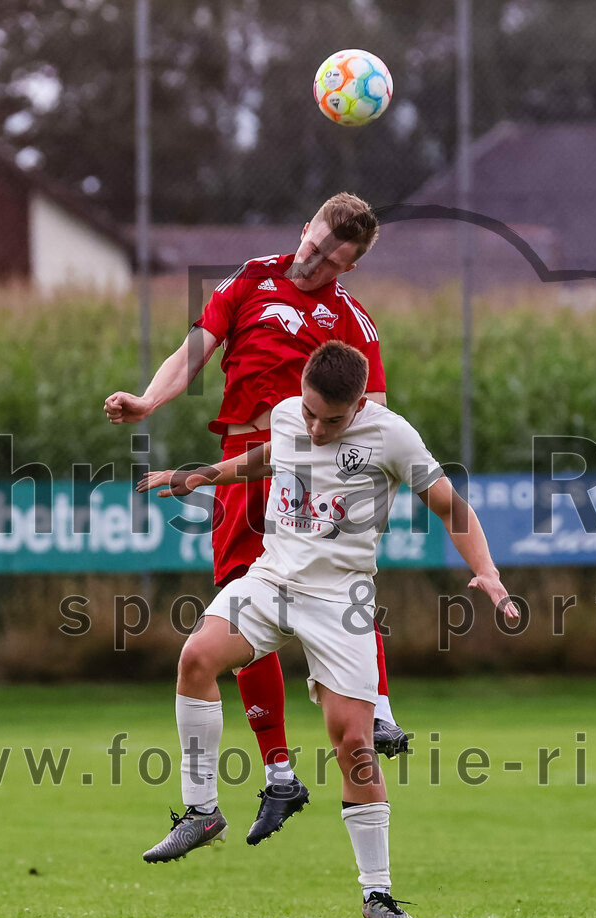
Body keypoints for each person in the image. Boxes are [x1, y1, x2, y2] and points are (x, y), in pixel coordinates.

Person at [137, 342, 518, 918]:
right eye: (310, 412)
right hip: (272, 577)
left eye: (331, 421)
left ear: (360, 404)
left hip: (342, 598)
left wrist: (489, 573)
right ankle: (202, 812)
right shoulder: (290, 414)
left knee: (356, 745)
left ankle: (378, 894)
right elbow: (268, 456)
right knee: (196, 659)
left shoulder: (392, 437)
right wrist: (200, 475)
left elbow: (450, 505)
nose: (315, 427)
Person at [104, 193, 409, 845]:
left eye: (332, 259)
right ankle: (278, 774)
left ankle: (378, 712)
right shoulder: (248, 281)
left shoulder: (352, 320)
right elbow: (194, 351)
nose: (316, 260)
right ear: (304, 228)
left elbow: (374, 411)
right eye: (315, 244)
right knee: (241, 609)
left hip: (301, 470)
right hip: (240, 465)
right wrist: (149, 401)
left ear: (347, 268)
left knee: (339, 577)